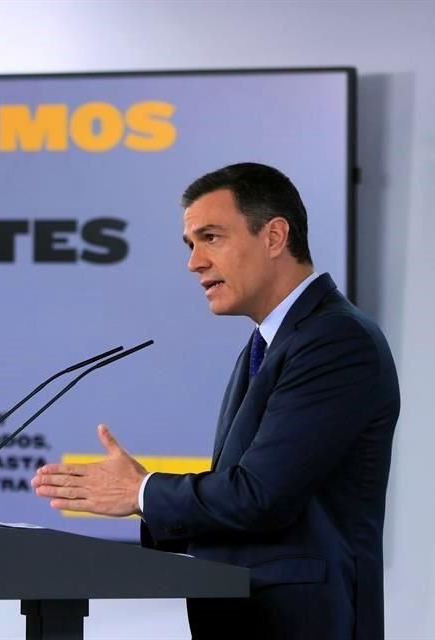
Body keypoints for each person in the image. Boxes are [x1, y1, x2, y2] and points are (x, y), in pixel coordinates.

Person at [31, 163, 400, 640]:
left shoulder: (335, 340)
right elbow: (245, 499)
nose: (195, 262)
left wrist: (142, 492)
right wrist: (145, 499)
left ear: (274, 236)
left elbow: (260, 496)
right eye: (190, 244)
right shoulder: (268, 343)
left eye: (211, 237)